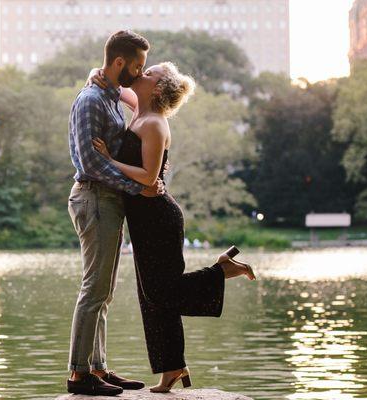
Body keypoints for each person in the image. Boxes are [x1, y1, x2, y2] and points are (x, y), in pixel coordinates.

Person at [91, 61, 256, 393]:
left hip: (159, 218)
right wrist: (96, 74)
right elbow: (115, 85)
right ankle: (172, 368)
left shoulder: (154, 123)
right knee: (150, 298)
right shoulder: (140, 106)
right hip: (143, 215)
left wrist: (108, 159)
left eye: (148, 73)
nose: (140, 74)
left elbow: (149, 177)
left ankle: (221, 271)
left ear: (157, 87)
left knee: (160, 292)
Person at [66, 30, 165, 396]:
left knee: (103, 291)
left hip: (109, 200)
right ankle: (78, 375)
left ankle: (98, 367)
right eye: (136, 66)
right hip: (94, 197)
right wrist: (138, 186)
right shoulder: (91, 100)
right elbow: (90, 162)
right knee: (93, 289)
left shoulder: (109, 97)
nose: (139, 74)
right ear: (119, 62)